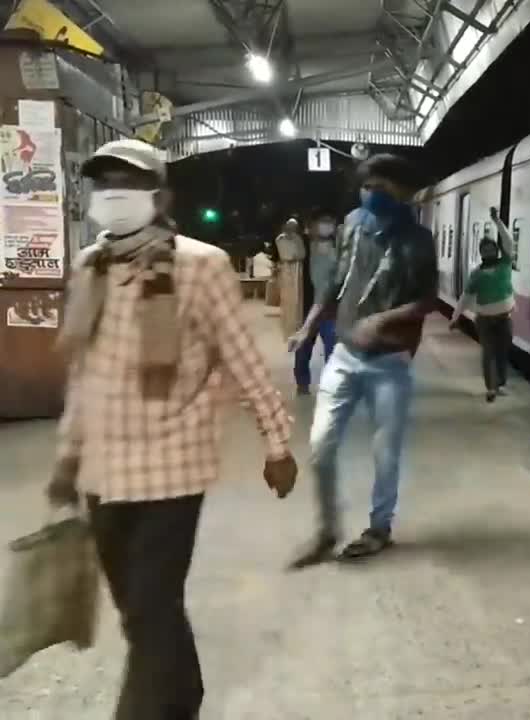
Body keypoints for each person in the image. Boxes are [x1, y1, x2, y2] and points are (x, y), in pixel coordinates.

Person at [46, 139, 297, 719]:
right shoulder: (90, 266)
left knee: (153, 604)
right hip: (102, 472)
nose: (114, 195)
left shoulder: (200, 265)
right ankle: (183, 697)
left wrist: (277, 443)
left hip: (171, 466)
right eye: (103, 183)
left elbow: (242, 358)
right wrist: (66, 458)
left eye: (128, 183)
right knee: (138, 609)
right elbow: (84, 375)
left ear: (161, 196)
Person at [287, 153, 438, 567]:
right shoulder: (352, 224)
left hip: (389, 364)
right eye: (366, 186)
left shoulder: (418, 241)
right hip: (344, 356)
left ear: (403, 194)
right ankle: (327, 530)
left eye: (381, 188)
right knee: (320, 446)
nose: (370, 194)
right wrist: (308, 326)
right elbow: (335, 282)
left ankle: (379, 528)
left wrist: (382, 320)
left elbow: (427, 300)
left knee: (385, 453)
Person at [450, 206, 515, 402]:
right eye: (485, 249)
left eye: (492, 248)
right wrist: (455, 317)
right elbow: (465, 298)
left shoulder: (505, 264)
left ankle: (500, 383)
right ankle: (491, 388)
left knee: (503, 353)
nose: (489, 251)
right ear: (481, 253)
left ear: (496, 250)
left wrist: (497, 222)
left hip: (505, 318)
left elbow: (509, 241)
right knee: (488, 353)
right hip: (485, 321)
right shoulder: (476, 275)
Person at [293, 209, 339, 395]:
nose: (326, 226)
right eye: (322, 222)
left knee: (332, 350)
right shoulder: (303, 248)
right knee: (303, 350)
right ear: (311, 227)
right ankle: (302, 383)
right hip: (306, 309)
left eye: (330, 222)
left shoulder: (339, 248)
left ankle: (330, 385)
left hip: (331, 310)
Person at [275, 217, 307, 341]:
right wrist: (294, 256)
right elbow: (286, 256)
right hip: (287, 273)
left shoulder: (298, 238)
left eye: (295, 226)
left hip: (298, 273)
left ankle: (297, 328)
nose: (292, 229)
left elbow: (302, 254)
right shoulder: (280, 238)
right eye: (290, 226)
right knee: (288, 301)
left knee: (298, 300)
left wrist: (295, 256)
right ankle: (288, 330)